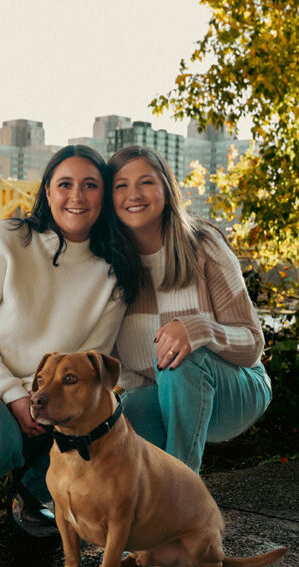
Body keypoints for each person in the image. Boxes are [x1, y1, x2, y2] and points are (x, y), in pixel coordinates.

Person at [0, 145, 142, 535]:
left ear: (105, 196)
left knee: (96, 410)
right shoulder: (8, 240)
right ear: (47, 192)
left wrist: (32, 400)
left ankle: (33, 490)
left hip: (36, 392)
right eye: (64, 184)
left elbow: (88, 361)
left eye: (90, 185)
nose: (77, 196)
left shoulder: (113, 274)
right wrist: (14, 397)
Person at [108, 145, 271, 474]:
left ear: (167, 191)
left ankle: (183, 493)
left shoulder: (203, 245)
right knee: (133, 408)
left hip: (236, 388)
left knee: (180, 356)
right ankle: (146, 508)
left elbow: (253, 342)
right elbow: (124, 371)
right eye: (121, 185)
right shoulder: (107, 268)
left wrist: (201, 330)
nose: (134, 194)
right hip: (161, 393)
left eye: (146, 183)